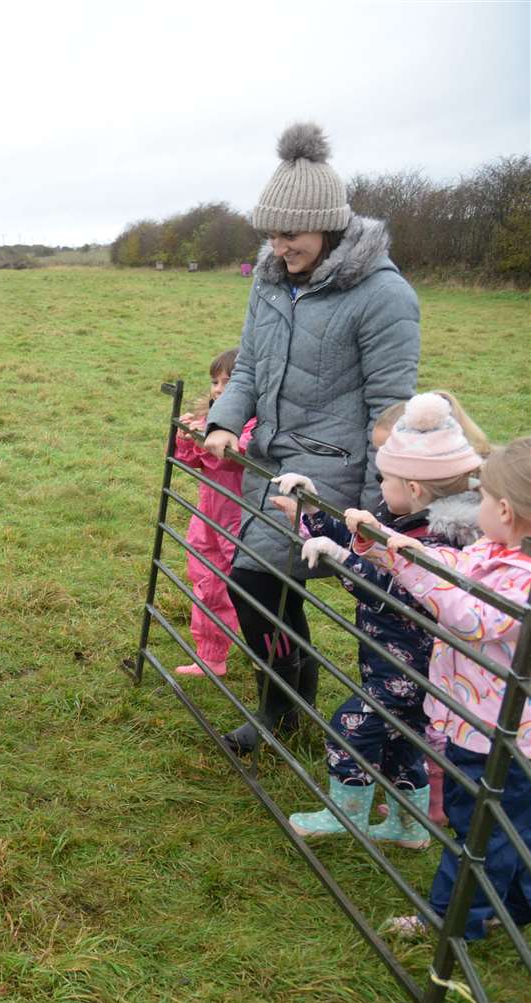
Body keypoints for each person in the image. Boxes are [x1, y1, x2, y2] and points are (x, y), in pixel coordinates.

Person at [203, 122, 419, 754]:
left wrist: (384, 506)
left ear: (327, 227)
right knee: (262, 586)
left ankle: (283, 705)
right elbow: (248, 365)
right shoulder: (270, 278)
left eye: (289, 234)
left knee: (254, 582)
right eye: (269, 232)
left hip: (330, 468)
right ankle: (291, 694)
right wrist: (222, 421)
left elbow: (392, 408)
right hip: (267, 458)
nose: (277, 245)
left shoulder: (383, 295)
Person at [277, 394, 485, 847]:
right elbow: (360, 546)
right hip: (388, 660)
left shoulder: (440, 544)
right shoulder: (405, 519)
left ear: (413, 487)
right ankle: (408, 826)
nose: (377, 484)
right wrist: (312, 508)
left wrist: (340, 560)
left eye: (383, 477)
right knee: (400, 745)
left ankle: (344, 814)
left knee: (349, 728)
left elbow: (395, 590)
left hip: (413, 669)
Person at [345, 436, 531, 941]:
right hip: (483, 724)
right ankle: (511, 908)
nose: (477, 504)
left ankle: (452, 925)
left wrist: (413, 566)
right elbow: (454, 569)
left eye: (485, 497)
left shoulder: (525, 580)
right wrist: (392, 546)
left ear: (507, 511)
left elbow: (471, 616)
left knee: (480, 835)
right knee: (505, 829)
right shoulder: (495, 550)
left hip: (501, 739)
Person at [172, 348, 255, 678]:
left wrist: (206, 437)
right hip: (208, 517)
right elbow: (193, 461)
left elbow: (231, 455)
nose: (219, 389)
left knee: (246, 589)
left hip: (240, 521)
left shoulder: (253, 425)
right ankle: (211, 656)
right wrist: (187, 438)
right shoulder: (213, 420)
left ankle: (262, 648)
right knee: (206, 581)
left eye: (229, 381)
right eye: (214, 381)